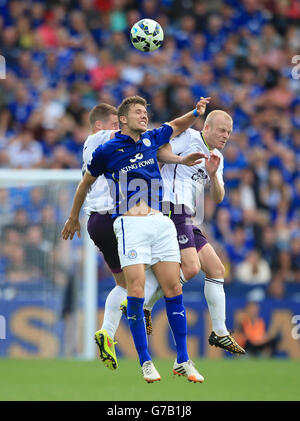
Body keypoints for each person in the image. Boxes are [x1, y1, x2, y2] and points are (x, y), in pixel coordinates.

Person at [62, 95, 210, 383]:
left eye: (146, 111)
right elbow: (85, 184)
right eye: (138, 112)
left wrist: (196, 111)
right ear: (123, 119)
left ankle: (183, 360)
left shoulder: (152, 139)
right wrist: (72, 217)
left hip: (161, 222)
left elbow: (177, 125)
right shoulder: (107, 149)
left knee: (172, 289)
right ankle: (145, 362)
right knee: (136, 289)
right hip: (130, 224)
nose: (144, 115)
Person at [128, 110, 245, 354]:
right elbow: (159, 151)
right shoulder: (189, 137)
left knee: (215, 268)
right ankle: (142, 304)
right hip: (170, 207)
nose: (226, 136)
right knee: (191, 268)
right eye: (222, 130)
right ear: (208, 127)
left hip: (187, 216)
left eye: (229, 133)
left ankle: (220, 332)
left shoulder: (217, 157)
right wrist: (181, 160)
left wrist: (213, 175)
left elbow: (219, 196)